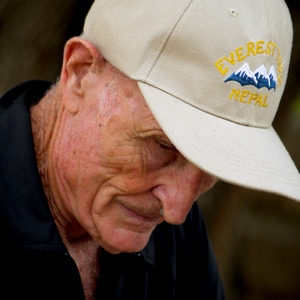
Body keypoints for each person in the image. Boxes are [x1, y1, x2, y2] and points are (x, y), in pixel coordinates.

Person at [1, 0, 299, 299]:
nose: (176, 211)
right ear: (80, 72)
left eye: (214, 166)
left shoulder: (171, 230)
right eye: (162, 145)